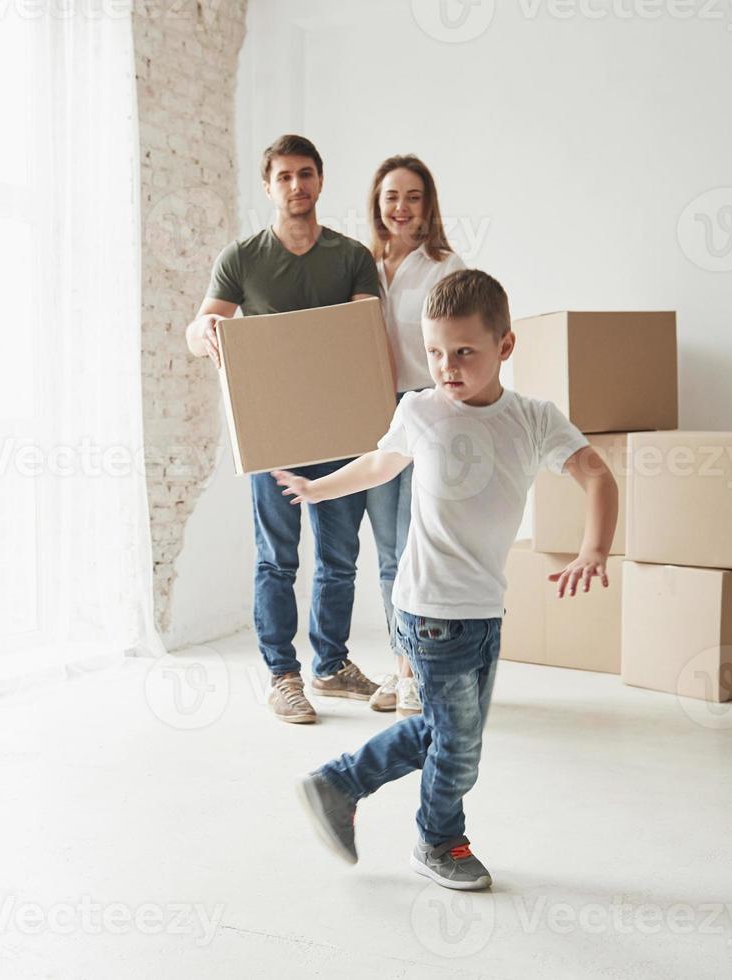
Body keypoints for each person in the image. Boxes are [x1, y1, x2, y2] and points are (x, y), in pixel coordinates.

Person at [277, 269, 618, 889]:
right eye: (435, 352)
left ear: (505, 348)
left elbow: (597, 474)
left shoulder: (534, 419)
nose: (447, 366)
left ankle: (338, 783)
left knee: (450, 730)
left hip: (485, 606)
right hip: (430, 607)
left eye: (465, 352)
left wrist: (595, 548)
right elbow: (382, 463)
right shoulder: (421, 410)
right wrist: (319, 487)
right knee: (458, 746)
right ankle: (439, 842)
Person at [185, 134, 385, 725]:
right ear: (268, 187)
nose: (296, 186)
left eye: (306, 174)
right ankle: (282, 675)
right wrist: (207, 334)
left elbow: (360, 338)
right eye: (285, 177)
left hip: (343, 432)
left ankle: (331, 665)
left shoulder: (351, 257)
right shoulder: (242, 258)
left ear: (320, 180)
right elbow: (200, 330)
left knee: (340, 557)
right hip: (272, 435)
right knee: (278, 559)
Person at [362, 155, 466, 719]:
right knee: (385, 553)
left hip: (429, 412)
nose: (401, 208)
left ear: (428, 206)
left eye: (413, 197)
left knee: (415, 548)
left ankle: (415, 671)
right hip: (377, 416)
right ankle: (401, 663)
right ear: (377, 205)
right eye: (391, 197)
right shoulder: (363, 267)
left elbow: (462, 340)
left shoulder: (445, 266)